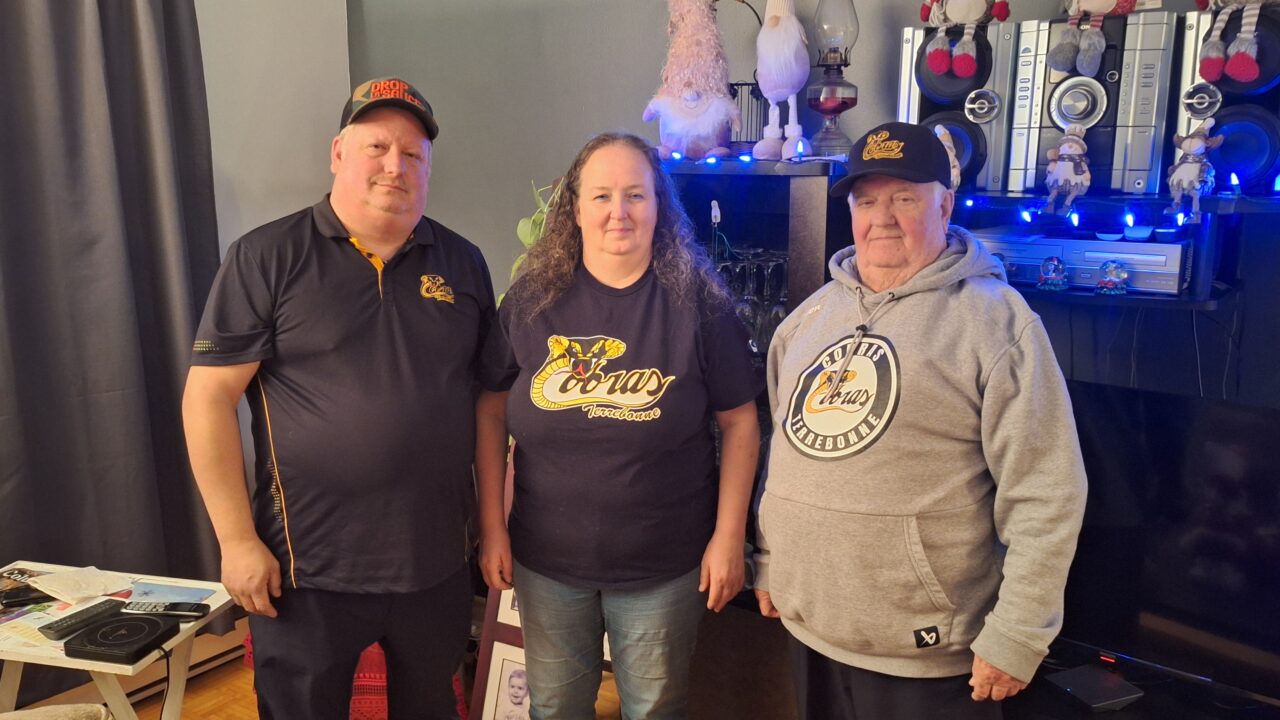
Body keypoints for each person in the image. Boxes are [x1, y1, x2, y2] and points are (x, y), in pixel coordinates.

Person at [182, 77, 495, 719]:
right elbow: (208, 399)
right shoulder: (266, 257)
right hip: (307, 569)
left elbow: (490, 401)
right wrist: (236, 541)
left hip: (435, 565)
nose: (394, 166)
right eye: (377, 146)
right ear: (338, 153)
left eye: (412, 154)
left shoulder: (463, 264)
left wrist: (491, 531)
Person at [754, 121, 1088, 720]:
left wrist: (1018, 633)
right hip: (810, 629)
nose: (882, 218)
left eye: (904, 198)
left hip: (930, 654)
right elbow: (783, 454)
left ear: (945, 205)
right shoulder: (807, 320)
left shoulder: (997, 323)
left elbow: (1046, 491)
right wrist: (773, 562)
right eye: (866, 201)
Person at [475, 132, 761, 719]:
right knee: (554, 708)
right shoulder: (531, 301)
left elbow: (740, 424)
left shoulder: (701, 306)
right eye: (601, 196)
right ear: (575, 209)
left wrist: (729, 538)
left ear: (660, 206)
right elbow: (490, 410)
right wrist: (493, 527)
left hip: (665, 564)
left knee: (655, 710)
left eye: (635, 194)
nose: (618, 212)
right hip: (546, 560)